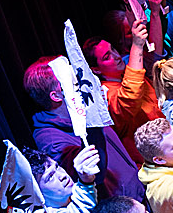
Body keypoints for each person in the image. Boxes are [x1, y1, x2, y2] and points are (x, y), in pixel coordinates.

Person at [23, 56, 144, 199]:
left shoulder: (84, 110)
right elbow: (93, 174)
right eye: (73, 80)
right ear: (56, 95)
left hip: (139, 192)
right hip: (122, 209)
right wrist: (92, 117)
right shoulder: (50, 138)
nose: (82, 81)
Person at [82, 16, 163, 163]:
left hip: (167, 141)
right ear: (96, 69)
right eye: (107, 57)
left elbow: (154, 54)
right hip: (153, 160)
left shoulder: (126, 73)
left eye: (112, 49)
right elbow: (130, 98)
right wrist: (136, 45)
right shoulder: (105, 95)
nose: (116, 56)